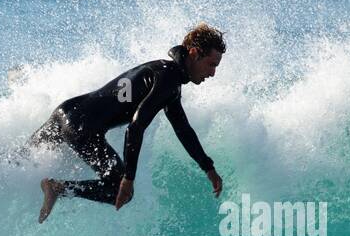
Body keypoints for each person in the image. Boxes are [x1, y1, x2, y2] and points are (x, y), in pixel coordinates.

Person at [33, 23, 226, 223]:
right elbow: (136, 127)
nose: (212, 73)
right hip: (81, 129)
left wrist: (208, 168)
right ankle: (58, 188)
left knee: (19, 161)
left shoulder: (164, 73)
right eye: (211, 65)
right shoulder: (168, 80)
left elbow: (182, 129)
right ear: (194, 53)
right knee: (119, 190)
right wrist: (129, 178)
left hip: (66, 111)